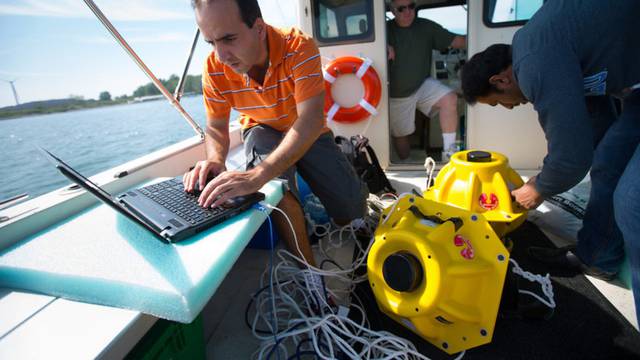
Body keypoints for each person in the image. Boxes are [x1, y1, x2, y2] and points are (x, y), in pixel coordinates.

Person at [460, 0, 640, 327]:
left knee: (631, 202)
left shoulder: (534, 63)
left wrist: (539, 188)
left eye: (498, 103)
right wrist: (559, 170)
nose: (509, 108)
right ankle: (598, 257)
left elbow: (571, 155)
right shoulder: (540, 51)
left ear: (501, 80)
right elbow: (590, 130)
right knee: (608, 163)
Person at [184, 0, 368, 300]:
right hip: (261, 128)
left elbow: (309, 120)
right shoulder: (214, 67)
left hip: (305, 127)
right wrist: (215, 160)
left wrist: (256, 175)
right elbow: (217, 127)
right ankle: (313, 283)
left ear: (258, 28)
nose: (221, 55)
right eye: (211, 42)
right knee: (278, 191)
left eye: (229, 39)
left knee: (350, 208)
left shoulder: (298, 46)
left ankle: (358, 215)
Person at [386, 0, 466, 161]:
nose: (408, 12)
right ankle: (405, 164)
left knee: (450, 98)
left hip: (422, 84)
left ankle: (449, 154)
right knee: (401, 136)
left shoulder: (426, 26)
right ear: (392, 11)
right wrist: (384, 46)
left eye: (411, 6)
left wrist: (486, 40)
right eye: (401, 9)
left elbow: (458, 42)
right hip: (396, 93)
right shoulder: (385, 31)